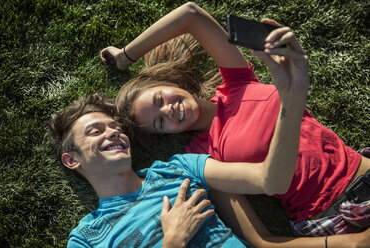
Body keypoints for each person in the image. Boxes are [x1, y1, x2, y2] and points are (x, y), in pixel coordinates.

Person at [100, 2, 370, 237]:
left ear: (170, 83)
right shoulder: (203, 155)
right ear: (165, 135)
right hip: (334, 213)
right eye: (160, 122)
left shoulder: (237, 82)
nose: (168, 110)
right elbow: (256, 233)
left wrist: (124, 55)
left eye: (160, 99)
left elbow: (191, 14)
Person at [47, 94, 370, 248]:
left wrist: (291, 94)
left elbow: (271, 179)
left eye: (115, 127)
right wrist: (173, 239)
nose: (113, 133)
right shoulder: (87, 238)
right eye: (95, 132)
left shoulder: (180, 169)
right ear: (72, 160)